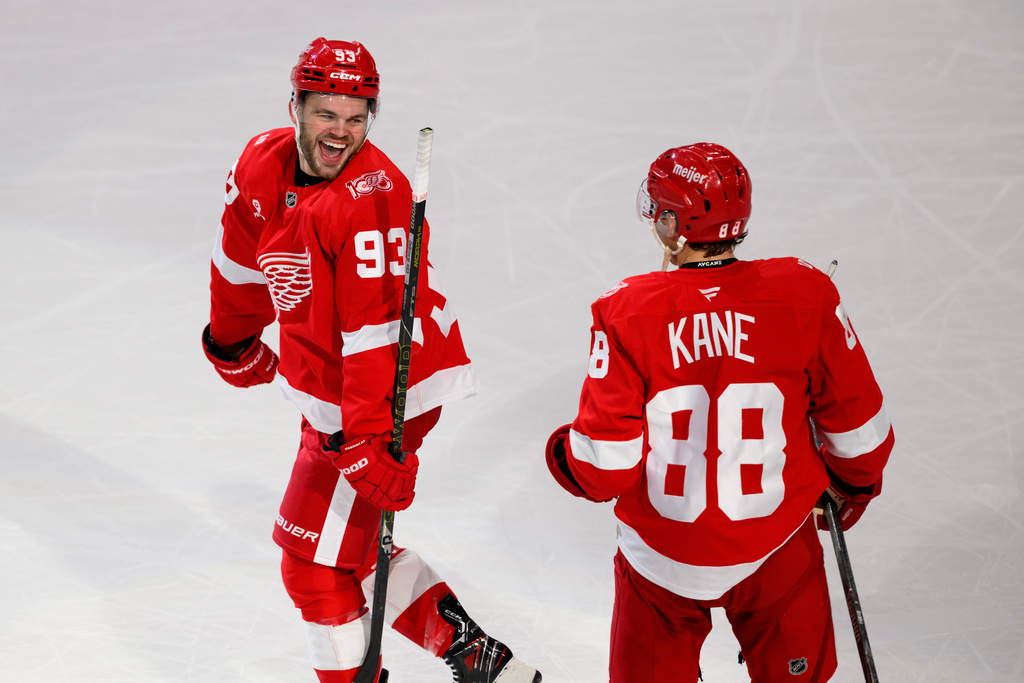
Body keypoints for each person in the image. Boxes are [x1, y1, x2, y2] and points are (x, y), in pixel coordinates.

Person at [203, 37, 541, 683]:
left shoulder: (371, 197)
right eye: (327, 113)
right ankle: (483, 662)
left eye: (357, 117)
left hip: (388, 390)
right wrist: (231, 338)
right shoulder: (259, 163)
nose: (341, 132)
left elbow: (379, 334)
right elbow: (239, 261)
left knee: (311, 563)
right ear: (296, 105)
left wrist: (364, 439)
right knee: (349, 549)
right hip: (339, 385)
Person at [545, 143, 894, 682]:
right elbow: (861, 438)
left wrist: (561, 451)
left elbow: (604, 467)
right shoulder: (805, 292)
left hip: (662, 563)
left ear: (669, 224)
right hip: (777, 549)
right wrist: (853, 489)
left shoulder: (623, 310)